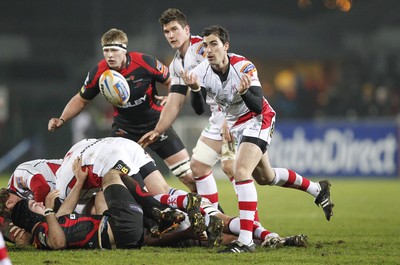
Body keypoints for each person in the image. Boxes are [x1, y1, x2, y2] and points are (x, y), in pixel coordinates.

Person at [181, 25, 334, 253]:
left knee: (240, 171)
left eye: (214, 44)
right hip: (234, 124)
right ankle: (317, 189)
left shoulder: (243, 66)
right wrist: (194, 89)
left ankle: (245, 240)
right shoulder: (202, 71)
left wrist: (243, 92)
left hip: (258, 118)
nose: (209, 50)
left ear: (226, 46)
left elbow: (256, 103)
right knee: (266, 177)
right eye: (205, 45)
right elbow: (199, 109)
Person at [47, 28, 196, 192]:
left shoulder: (145, 62)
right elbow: (81, 99)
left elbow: (173, 81)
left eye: (114, 50)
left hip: (157, 125)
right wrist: (61, 119)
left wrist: (171, 96)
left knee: (188, 177)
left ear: (124, 50)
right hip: (125, 131)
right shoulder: (99, 72)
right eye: (106, 51)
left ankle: (213, 211)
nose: (109, 55)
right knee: (124, 182)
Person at [139, 8, 232, 209]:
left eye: (175, 29)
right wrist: (158, 130)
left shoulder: (201, 48)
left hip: (236, 113)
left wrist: (227, 117)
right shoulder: (176, 65)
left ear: (187, 29)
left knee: (235, 170)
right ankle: (218, 221)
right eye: (166, 31)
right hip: (219, 116)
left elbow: (227, 71)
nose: (171, 35)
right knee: (199, 168)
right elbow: (175, 103)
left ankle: (251, 231)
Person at [55, 137, 207, 234]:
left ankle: (188, 221)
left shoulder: (61, 187)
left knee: (142, 204)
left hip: (107, 157)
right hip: (123, 144)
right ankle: (205, 209)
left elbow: (62, 217)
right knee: (162, 190)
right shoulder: (69, 159)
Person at [11, 158, 147, 249]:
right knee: (110, 174)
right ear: (30, 217)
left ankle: (149, 212)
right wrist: (48, 211)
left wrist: (80, 180)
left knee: (100, 195)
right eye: (34, 205)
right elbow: (59, 243)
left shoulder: (51, 224)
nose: (39, 204)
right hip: (122, 227)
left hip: (123, 234)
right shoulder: (40, 233)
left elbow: (66, 209)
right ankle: (149, 202)